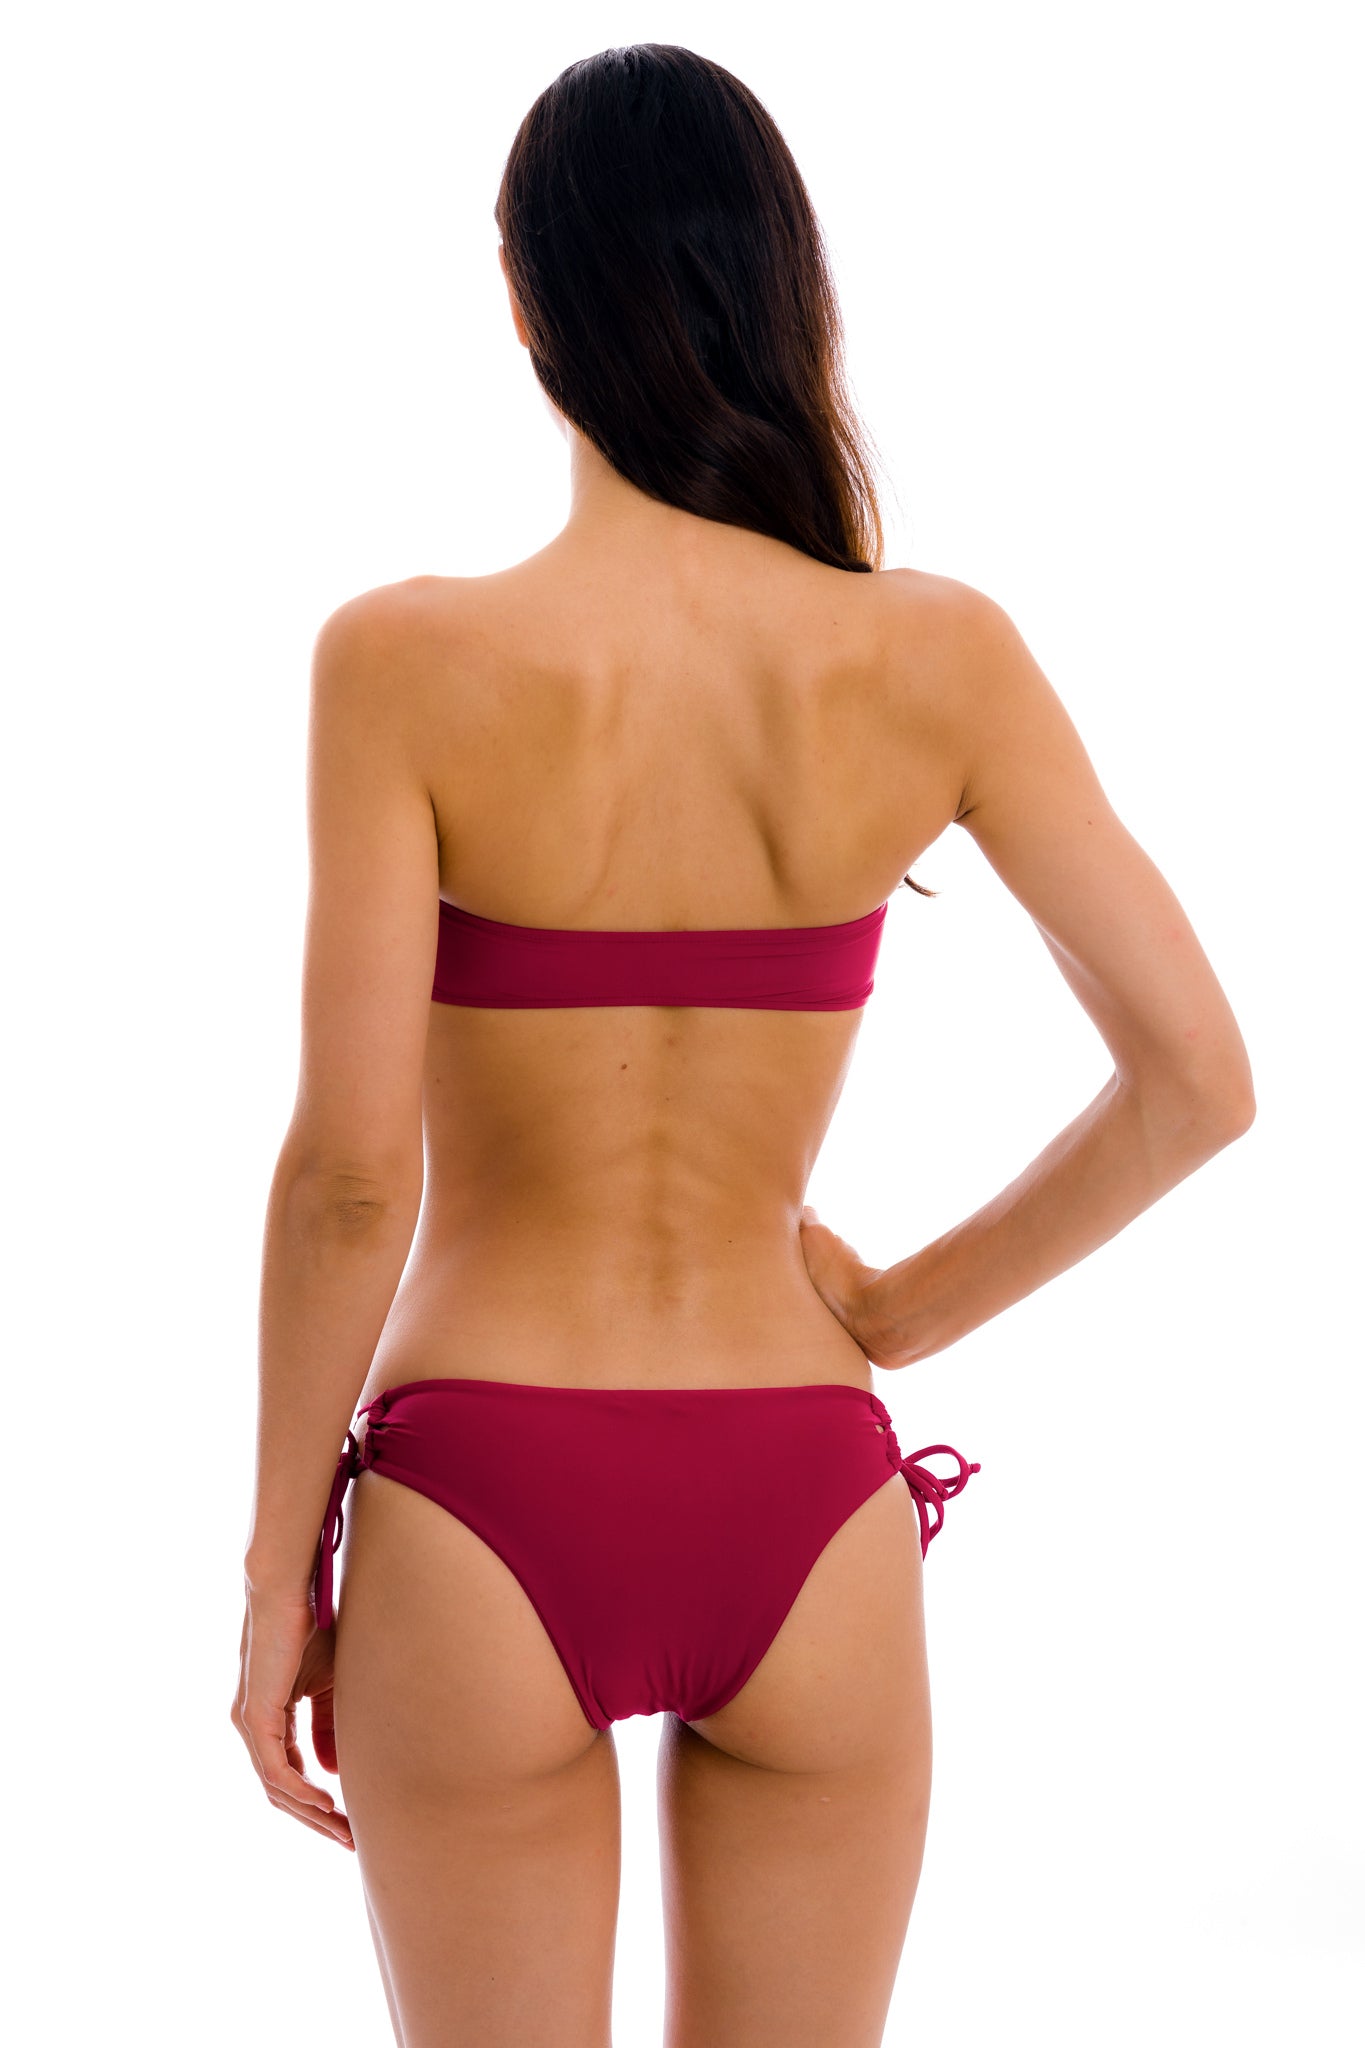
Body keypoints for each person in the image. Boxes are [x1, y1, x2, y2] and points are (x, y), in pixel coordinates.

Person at [231, 42, 1254, 2048]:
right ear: (783, 285)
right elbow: (1196, 1080)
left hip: (481, 1489)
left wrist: (281, 1580)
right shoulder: (934, 657)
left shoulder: (404, 661)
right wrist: (890, 1314)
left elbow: (351, 1178)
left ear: (524, 296)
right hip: (800, 1480)